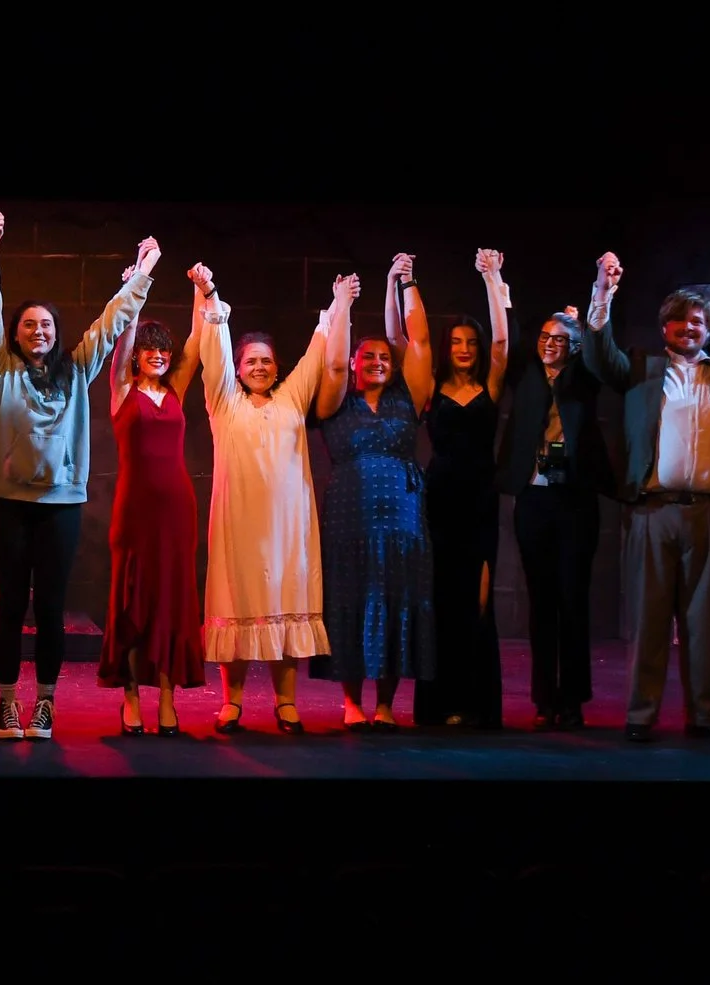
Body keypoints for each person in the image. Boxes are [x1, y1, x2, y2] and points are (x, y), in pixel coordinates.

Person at [0, 213, 159, 743]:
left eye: (46, 325)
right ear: (16, 333)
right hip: (8, 502)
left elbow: (112, 324)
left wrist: (141, 274)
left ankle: (45, 705)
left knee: (50, 608)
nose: (38, 331)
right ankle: (7, 705)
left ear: (57, 334)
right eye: (28, 324)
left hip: (60, 505)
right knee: (11, 606)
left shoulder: (76, 371)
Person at [581, 253, 710, 743]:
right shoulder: (643, 369)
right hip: (653, 511)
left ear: (709, 330)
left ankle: (705, 716)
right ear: (664, 328)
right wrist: (602, 295)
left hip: (709, 514)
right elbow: (598, 357)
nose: (687, 328)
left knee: (701, 624)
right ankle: (640, 716)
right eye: (678, 321)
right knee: (649, 620)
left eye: (697, 322)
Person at [196, 263, 358, 735]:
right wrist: (210, 293)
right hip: (238, 527)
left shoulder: (291, 400)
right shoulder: (224, 403)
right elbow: (216, 354)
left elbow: (317, 351)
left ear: (276, 367)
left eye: (266, 361)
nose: (259, 367)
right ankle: (233, 703)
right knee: (238, 608)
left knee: (283, 607)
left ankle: (286, 703)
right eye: (251, 362)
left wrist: (339, 301)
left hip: (287, 529)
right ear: (240, 369)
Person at [311, 254, 434, 731]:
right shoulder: (336, 401)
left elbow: (416, 339)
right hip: (349, 520)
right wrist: (342, 303)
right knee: (351, 600)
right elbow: (335, 361)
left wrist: (400, 284)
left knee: (397, 600)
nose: (379, 361)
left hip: (403, 521)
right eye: (370, 356)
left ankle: (386, 703)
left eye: (385, 356)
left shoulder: (409, 397)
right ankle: (351, 701)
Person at [399, 248, 511, 727]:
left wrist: (492, 278)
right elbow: (412, 337)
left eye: (471, 341)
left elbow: (504, 340)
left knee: (479, 602)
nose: (464, 348)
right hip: (440, 503)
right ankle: (440, 704)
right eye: (457, 341)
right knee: (442, 601)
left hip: (481, 503)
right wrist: (405, 280)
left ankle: (477, 705)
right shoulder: (431, 388)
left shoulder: (490, 383)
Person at [499, 299, 615, 730]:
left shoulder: (583, 379)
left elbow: (602, 356)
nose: (549, 345)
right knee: (541, 602)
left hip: (575, 500)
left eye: (560, 340)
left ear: (574, 346)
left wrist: (594, 309)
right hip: (533, 498)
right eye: (545, 338)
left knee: (572, 600)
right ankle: (544, 698)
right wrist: (499, 286)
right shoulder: (525, 375)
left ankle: (573, 699)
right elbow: (505, 337)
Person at [99, 307, 207, 737]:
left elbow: (197, 343)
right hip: (135, 510)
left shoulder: (176, 389)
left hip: (178, 510)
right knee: (132, 600)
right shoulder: (123, 390)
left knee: (170, 602)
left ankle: (166, 696)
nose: (157, 355)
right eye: (149, 349)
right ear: (137, 356)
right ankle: (130, 697)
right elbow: (121, 346)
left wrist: (203, 293)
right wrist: (134, 307)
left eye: (162, 348)